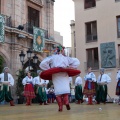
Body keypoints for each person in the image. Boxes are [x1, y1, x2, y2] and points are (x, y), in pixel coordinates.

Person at [40, 45, 80, 112]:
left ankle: (60, 107)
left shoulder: (52, 57)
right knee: (65, 90)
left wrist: (49, 69)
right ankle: (66, 102)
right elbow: (77, 62)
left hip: (56, 74)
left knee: (58, 92)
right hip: (64, 73)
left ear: (56, 50)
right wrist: (69, 67)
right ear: (62, 50)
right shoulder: (66, 58)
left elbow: (42, 64)